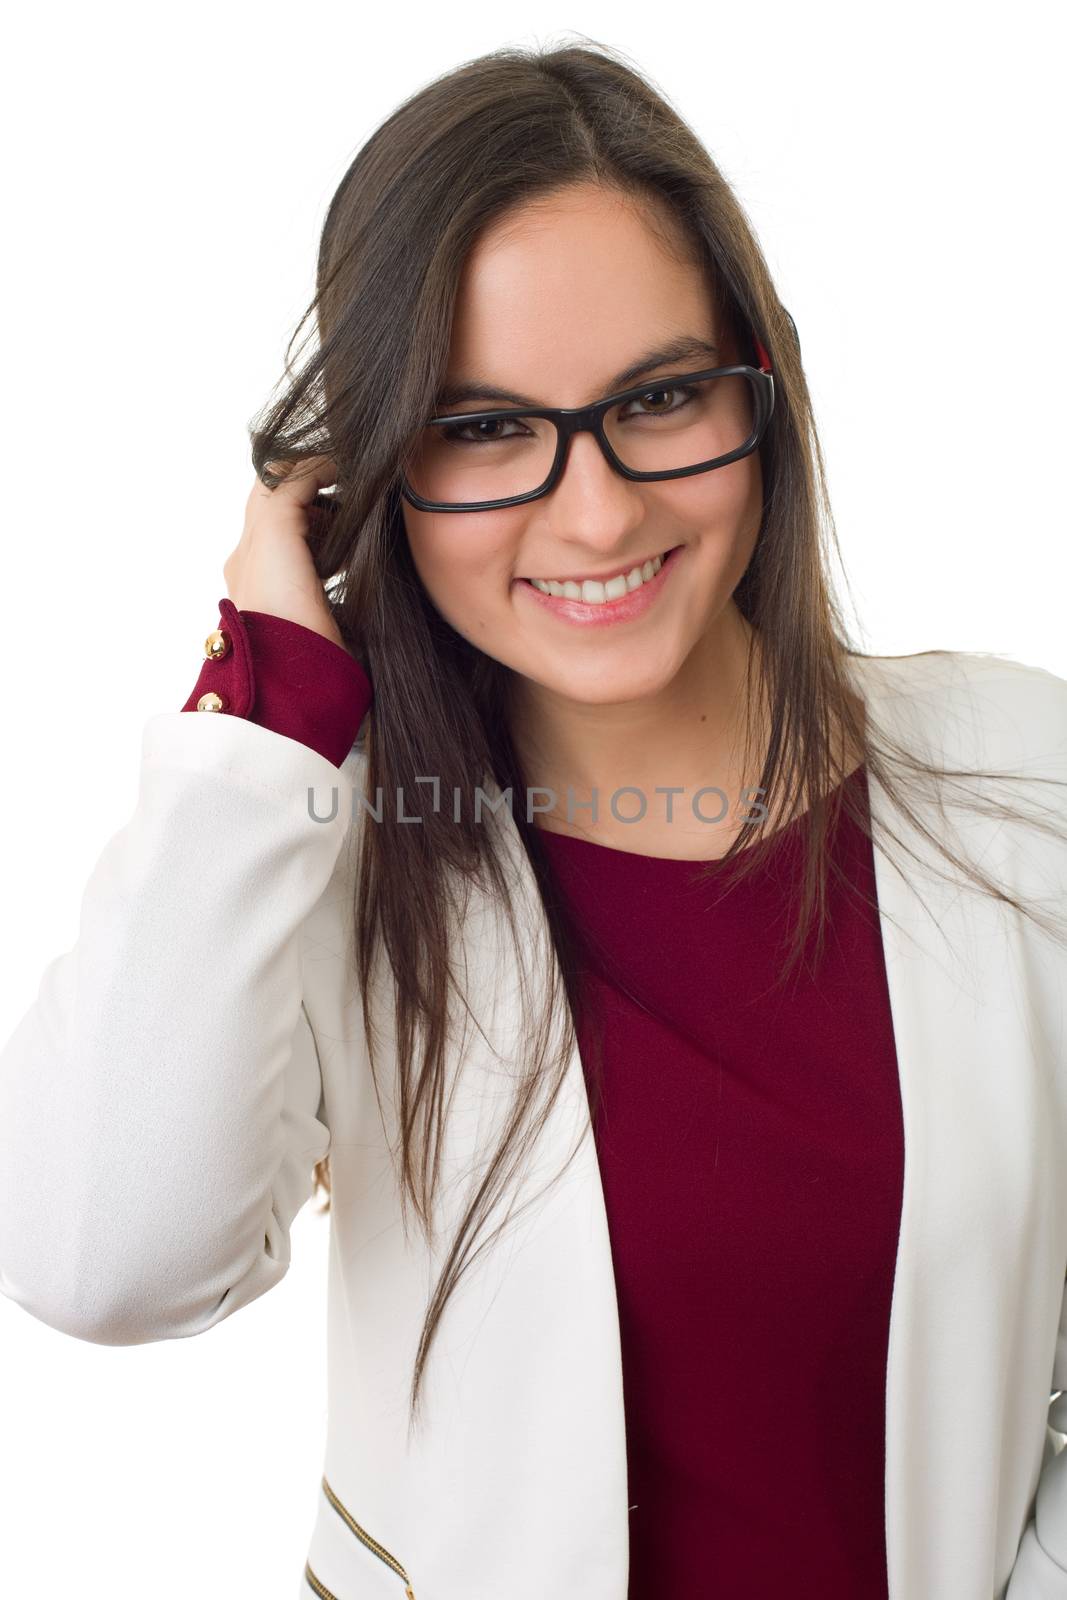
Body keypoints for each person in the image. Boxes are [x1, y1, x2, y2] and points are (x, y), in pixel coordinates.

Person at [1, 38, 1066, 1600]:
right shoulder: (325, 837)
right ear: (375, 468)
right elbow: (103, 1267)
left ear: (758, 395)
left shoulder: (1027, 774)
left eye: (658, 397)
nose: (598, 512)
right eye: (487, 427)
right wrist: (267, 714)